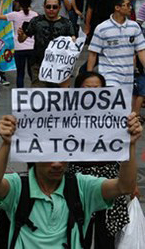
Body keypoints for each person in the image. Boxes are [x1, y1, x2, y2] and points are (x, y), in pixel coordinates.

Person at [0, 111, 142, 249]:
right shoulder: (19, 186)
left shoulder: (82, 186)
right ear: (34, 155)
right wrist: (6, 143)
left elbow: (124, 187)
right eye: (49, 156)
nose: (57, 164)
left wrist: (130, 145)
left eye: (62, 155)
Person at [66, 72, 134, 248]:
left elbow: (123, 150)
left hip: (109, 177)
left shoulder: (115, 115)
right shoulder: (65, 114)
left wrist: (129, 183)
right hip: (78, 178)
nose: (92, 92)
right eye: (87, 88)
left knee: (106, 235)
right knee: (80, 233)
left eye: (97, 88)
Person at [19, 0, 76, 88]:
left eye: (55, 7)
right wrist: (21, 35)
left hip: (59, 66)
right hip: (38, 64)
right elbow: (21, 40)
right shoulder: (36, 21)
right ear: (44, 7)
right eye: (48, 6)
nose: (51, 9)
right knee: (38, 96)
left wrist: (74, 41)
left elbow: (73, 41)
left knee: (58, 96)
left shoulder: (66, 23)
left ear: (59, 8)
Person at [87, 0, 145, 88]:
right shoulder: (102, 28)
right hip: (108, 75)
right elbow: (93, 53)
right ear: (117, 7)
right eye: (127, 5)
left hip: (128, 77)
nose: (131, 8)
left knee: (125, 102)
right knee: (113, 97)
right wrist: (88, 76)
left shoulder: (134, 27)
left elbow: (141, 51)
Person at [0, 0, 38, 88]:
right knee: (32, 73)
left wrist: (1, 2)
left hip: (19, 48)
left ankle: (20, 94)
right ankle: (35, 91)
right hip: (32, 47)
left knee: (20, 73)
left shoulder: (15, 15)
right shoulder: (35, 14)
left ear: (18, 3)